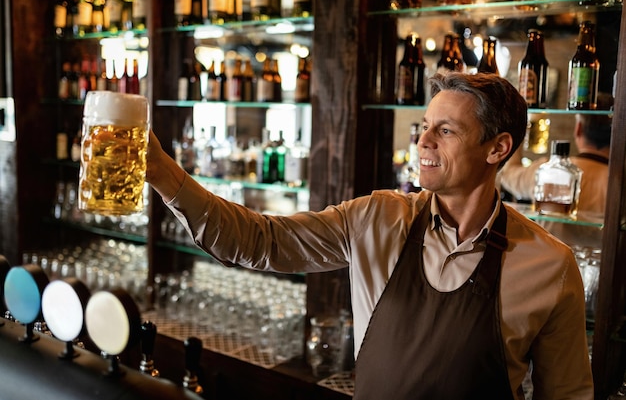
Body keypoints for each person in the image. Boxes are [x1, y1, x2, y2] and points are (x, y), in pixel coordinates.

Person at [146, 72, 593, 399]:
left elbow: (567, 396)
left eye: (446, 131)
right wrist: (163, 172)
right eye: (424, 127)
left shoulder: (549, 265)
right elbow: (259, 240)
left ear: (498, 148)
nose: (423, 143)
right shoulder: (378, 218)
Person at [499, 110, 611, 215]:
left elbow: (509, 175)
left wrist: (516, 129)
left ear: (578, 129)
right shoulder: (618, 180)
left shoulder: (548, 170)